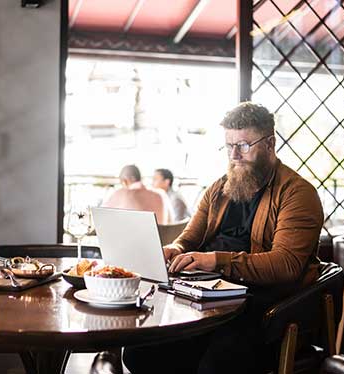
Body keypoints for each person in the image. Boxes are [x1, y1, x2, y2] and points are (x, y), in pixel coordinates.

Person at [122, 102, 323, 374]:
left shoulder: (297, 194)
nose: (234, 155)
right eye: (229, 146)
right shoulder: (218, 189)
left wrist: (213, 261)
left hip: (259, 305)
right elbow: (188, 239)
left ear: (270, 143)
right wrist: (175, 248)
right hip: (208, 296)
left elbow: (285, 265)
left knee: (215, 365)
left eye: (243, 145)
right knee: (139, 353)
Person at [102, 165, 172, 224]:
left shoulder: (122, 193)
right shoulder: (160, 195)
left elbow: (101, 216)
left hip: (134, 239)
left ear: (124, 181)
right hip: (161, 239)